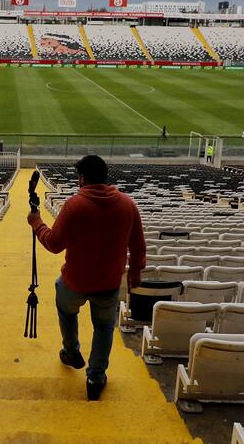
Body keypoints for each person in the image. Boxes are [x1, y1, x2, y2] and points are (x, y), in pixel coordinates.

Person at [26, 155, 146, 400]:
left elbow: (53, 243)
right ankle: (95, 377)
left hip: (75, 282)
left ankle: (71, 351)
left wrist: (37, 223)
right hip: (109, 283)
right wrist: (134, 274)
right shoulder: (127, 204)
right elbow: (138, 246)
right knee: (104, 327)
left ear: (82, 178)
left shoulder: (75, 205)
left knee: (66, 309)